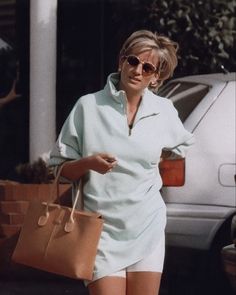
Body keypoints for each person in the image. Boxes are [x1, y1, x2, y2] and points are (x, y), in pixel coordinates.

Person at [48, 29, 195, 295]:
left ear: (156, 77)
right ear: (121, 62)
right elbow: (58, 169)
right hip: (99, 231)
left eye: (148, 67)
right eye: (133, 61)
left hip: (146, 227)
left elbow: (180, 147)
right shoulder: (87, 106)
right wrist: (89, 163)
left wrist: (156, 158)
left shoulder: (164, 111)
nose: (138, 70)